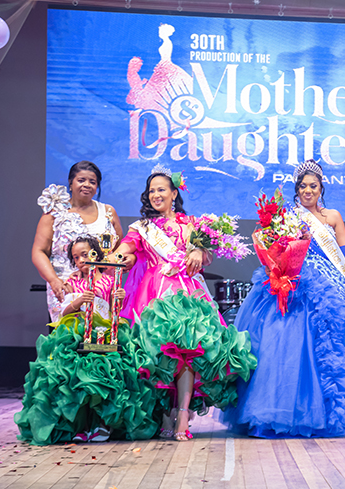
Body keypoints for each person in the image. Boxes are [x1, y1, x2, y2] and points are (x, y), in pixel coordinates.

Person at [220, 160, 345, 438]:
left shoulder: (333, 217)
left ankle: (329, 414)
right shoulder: (287, 216)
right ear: (297, 189)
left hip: (330, 288)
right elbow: (274, 250)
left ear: (321, 188)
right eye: (303, 186)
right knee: (287, 348)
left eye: (313, 186)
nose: (308, 191)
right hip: (295, 286)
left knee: (330, 351)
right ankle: (282, 412)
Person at [118, 165, 257, 441]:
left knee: (189, 350)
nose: (156, 195)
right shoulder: (142, 228)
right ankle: (164, 413)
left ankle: (183, 413)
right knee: (158, 356)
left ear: (173, 193)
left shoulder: (192, 223)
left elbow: (205, 257)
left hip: (188, 292)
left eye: (161, 190)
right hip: (155, 294)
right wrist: (115, 257)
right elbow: (125, 249)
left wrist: (198, 251)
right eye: (152, 191)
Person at [16, 236, 160, 445]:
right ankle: (80, 425)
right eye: (76, 257)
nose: (81, 260)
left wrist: (118, 298)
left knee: (105, 375)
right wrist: (78, 301)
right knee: (75, 377)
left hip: (104, 333)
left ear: (96, 254)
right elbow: (63, 311)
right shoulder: (73, 281)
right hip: (78, 333)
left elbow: (114, 313)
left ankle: (102, 423)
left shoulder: (110, 281)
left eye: (85, 254)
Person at [32, 161, 123, 322]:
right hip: (66, 287)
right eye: (81, 180)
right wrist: (54, 280)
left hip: (102, 288)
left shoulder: (108, 212)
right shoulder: (54, 214)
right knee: (70, 336)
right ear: (70, 182)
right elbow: (39, 251)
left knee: (101, 336)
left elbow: (119, 249)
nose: (87, 185)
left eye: (92, 182)